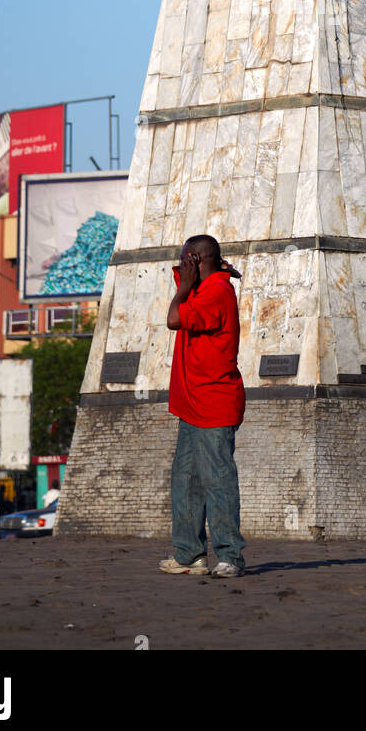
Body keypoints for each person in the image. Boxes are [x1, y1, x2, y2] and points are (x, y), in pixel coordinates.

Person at [158, 234, 246, 580]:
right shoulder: (203, 288)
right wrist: (192, 278)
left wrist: (186, 286)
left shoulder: (217, 293)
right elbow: (184, 287)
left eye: (184, 259)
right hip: (192, 405)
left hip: (214, 403)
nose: (179, 265)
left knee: (218, 481)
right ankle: (190, 554)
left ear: (195, 259)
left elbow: (174, 318)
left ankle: (230, 556)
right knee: (186, 481)